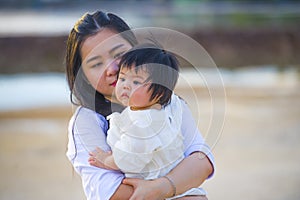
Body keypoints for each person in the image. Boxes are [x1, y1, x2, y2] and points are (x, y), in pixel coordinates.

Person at [65, 10, 214, 200]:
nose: (112, 69)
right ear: (83, 77)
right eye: (96, 64)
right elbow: (110, 191)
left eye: (119, 54)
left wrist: (162, 187)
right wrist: (177, 185)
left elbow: (202, 160)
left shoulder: (171, 104)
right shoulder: (87, 121)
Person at [88, 43, 206, 199]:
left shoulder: (143, 123)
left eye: (136, 82)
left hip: (161, 192)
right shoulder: (166, 108)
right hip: (179, 188)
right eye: (122, 78)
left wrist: (106, 160)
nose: (125, 86)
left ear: (160, 91)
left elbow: (129, 159)